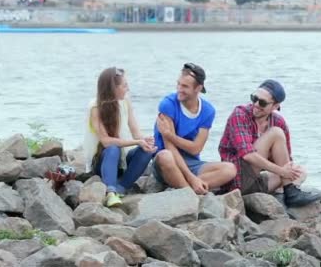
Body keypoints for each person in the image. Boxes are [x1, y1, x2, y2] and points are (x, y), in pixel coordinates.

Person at [219, 79, 321, 207]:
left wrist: (285, 171)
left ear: (275, 106)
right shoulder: (240, 114)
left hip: (256, 181)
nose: (256, 104)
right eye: (254, 98)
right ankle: (290, 192)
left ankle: (286, 191)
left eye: (262, 102)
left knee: (300, 171)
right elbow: (248, 155)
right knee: (276, 133)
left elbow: (286, 160)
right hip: (236, 180)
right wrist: (282, 172)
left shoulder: (278, 121)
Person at [152, 63, 236, 195]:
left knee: (230, 169)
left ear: (198, 88)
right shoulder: (168, 104)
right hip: (168, 161)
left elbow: (196, 148)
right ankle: (191, 193)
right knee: (165, 156)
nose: (179, 89)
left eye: (185, 86)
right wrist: (192, 179)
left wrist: (171, 135)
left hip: (191, 163)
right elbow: (170, 148)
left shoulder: (208, 111)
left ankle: (184, 187)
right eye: (178, 84)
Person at [83, 67, 157, 207]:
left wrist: (145, 140)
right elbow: (105, 141)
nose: (127, 89)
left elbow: (135, 132)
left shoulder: (125, 102)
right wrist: (137, 142)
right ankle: (110, 192)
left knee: (147, 150)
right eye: (124, 85)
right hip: (102, 161)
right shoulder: (95, 107)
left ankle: (121, 188)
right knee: (113, 149)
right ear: (113, 88)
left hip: (121, 161)